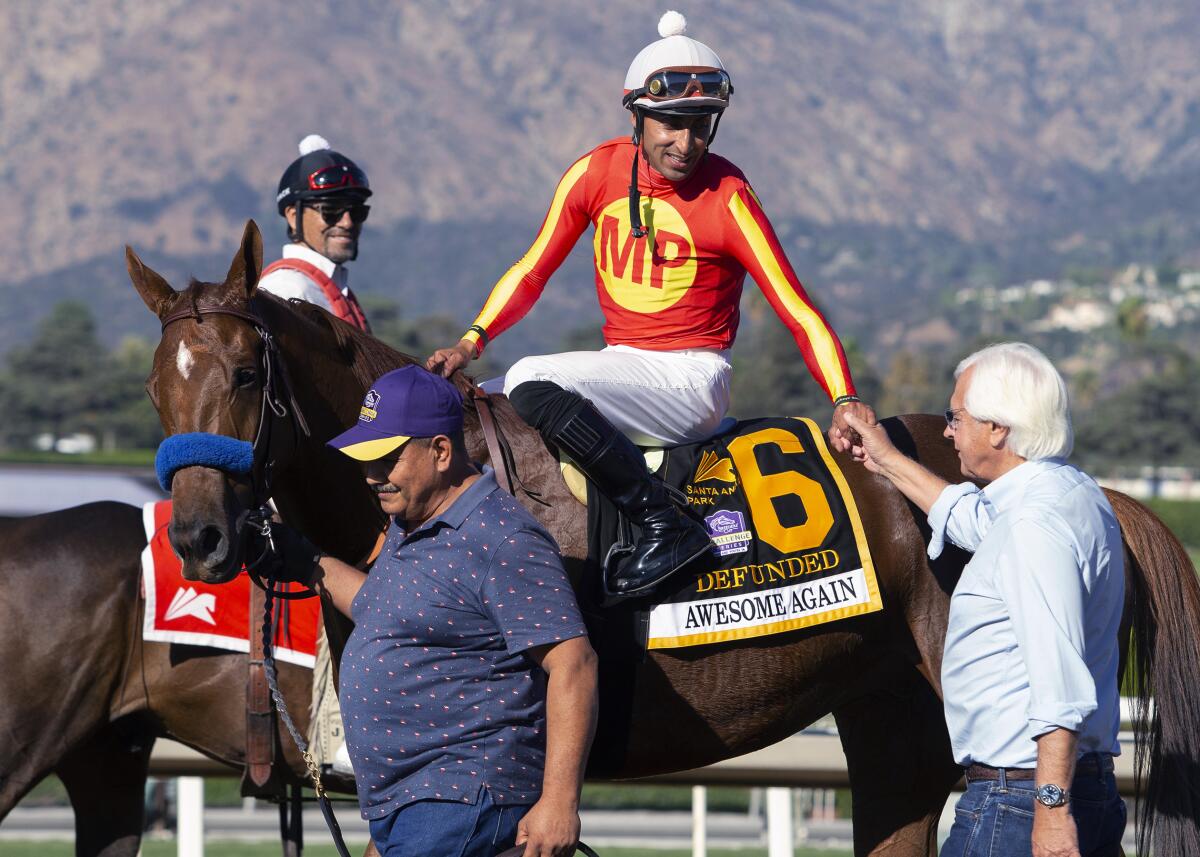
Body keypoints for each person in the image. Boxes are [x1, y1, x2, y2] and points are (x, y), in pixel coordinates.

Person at [427, 11, 875, 596]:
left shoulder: (730, 197)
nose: (685, 143)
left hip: (692, 381)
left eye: (700, 125)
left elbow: (797, 308)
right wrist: (472, 341)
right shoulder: (595, 171)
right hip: (627, 367)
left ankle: (665, 523)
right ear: (637, 115)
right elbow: (533, 267)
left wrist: (844, 397)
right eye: (670, 123)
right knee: (492, 398)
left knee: (534, 378)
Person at [271, 365, 598, 857]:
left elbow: (573, 663)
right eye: (365, 461)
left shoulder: (504, 539)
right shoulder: (411, 521)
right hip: (417, 806)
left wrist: (558, 802)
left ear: (441, 451)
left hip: (463, 799)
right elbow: (379, 609)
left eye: (385, 460)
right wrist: (302, 559)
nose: (370, 475)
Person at [842, 343, 1125, 857]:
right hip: (1065, 790)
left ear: (998, 428)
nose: (947, 431)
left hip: (1019, 802)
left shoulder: (1032, 526)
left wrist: (1052, 813)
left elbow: (1058, 683)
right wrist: (887, 460)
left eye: (956, 417)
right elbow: (970, 519)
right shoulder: (1069, 493)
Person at [260, 134, 373, 332]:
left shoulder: (336, 290)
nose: (347, 222)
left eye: (357, 212)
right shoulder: (285, 289)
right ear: (294, 216)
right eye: (330, 211)